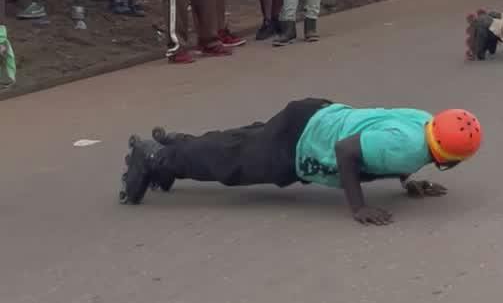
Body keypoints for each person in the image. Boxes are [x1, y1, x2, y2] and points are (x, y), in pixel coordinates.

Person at [121, 101, 483, 222]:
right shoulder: (408, 149)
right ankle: (154, 158)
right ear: (448, 160)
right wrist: (358, 207)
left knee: (242, 141)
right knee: (233, 163)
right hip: (302, 141)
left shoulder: (423, 122)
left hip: (316, 114)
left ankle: (177, 145)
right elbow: (347, 151)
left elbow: (384, 137)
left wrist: (408, 181)